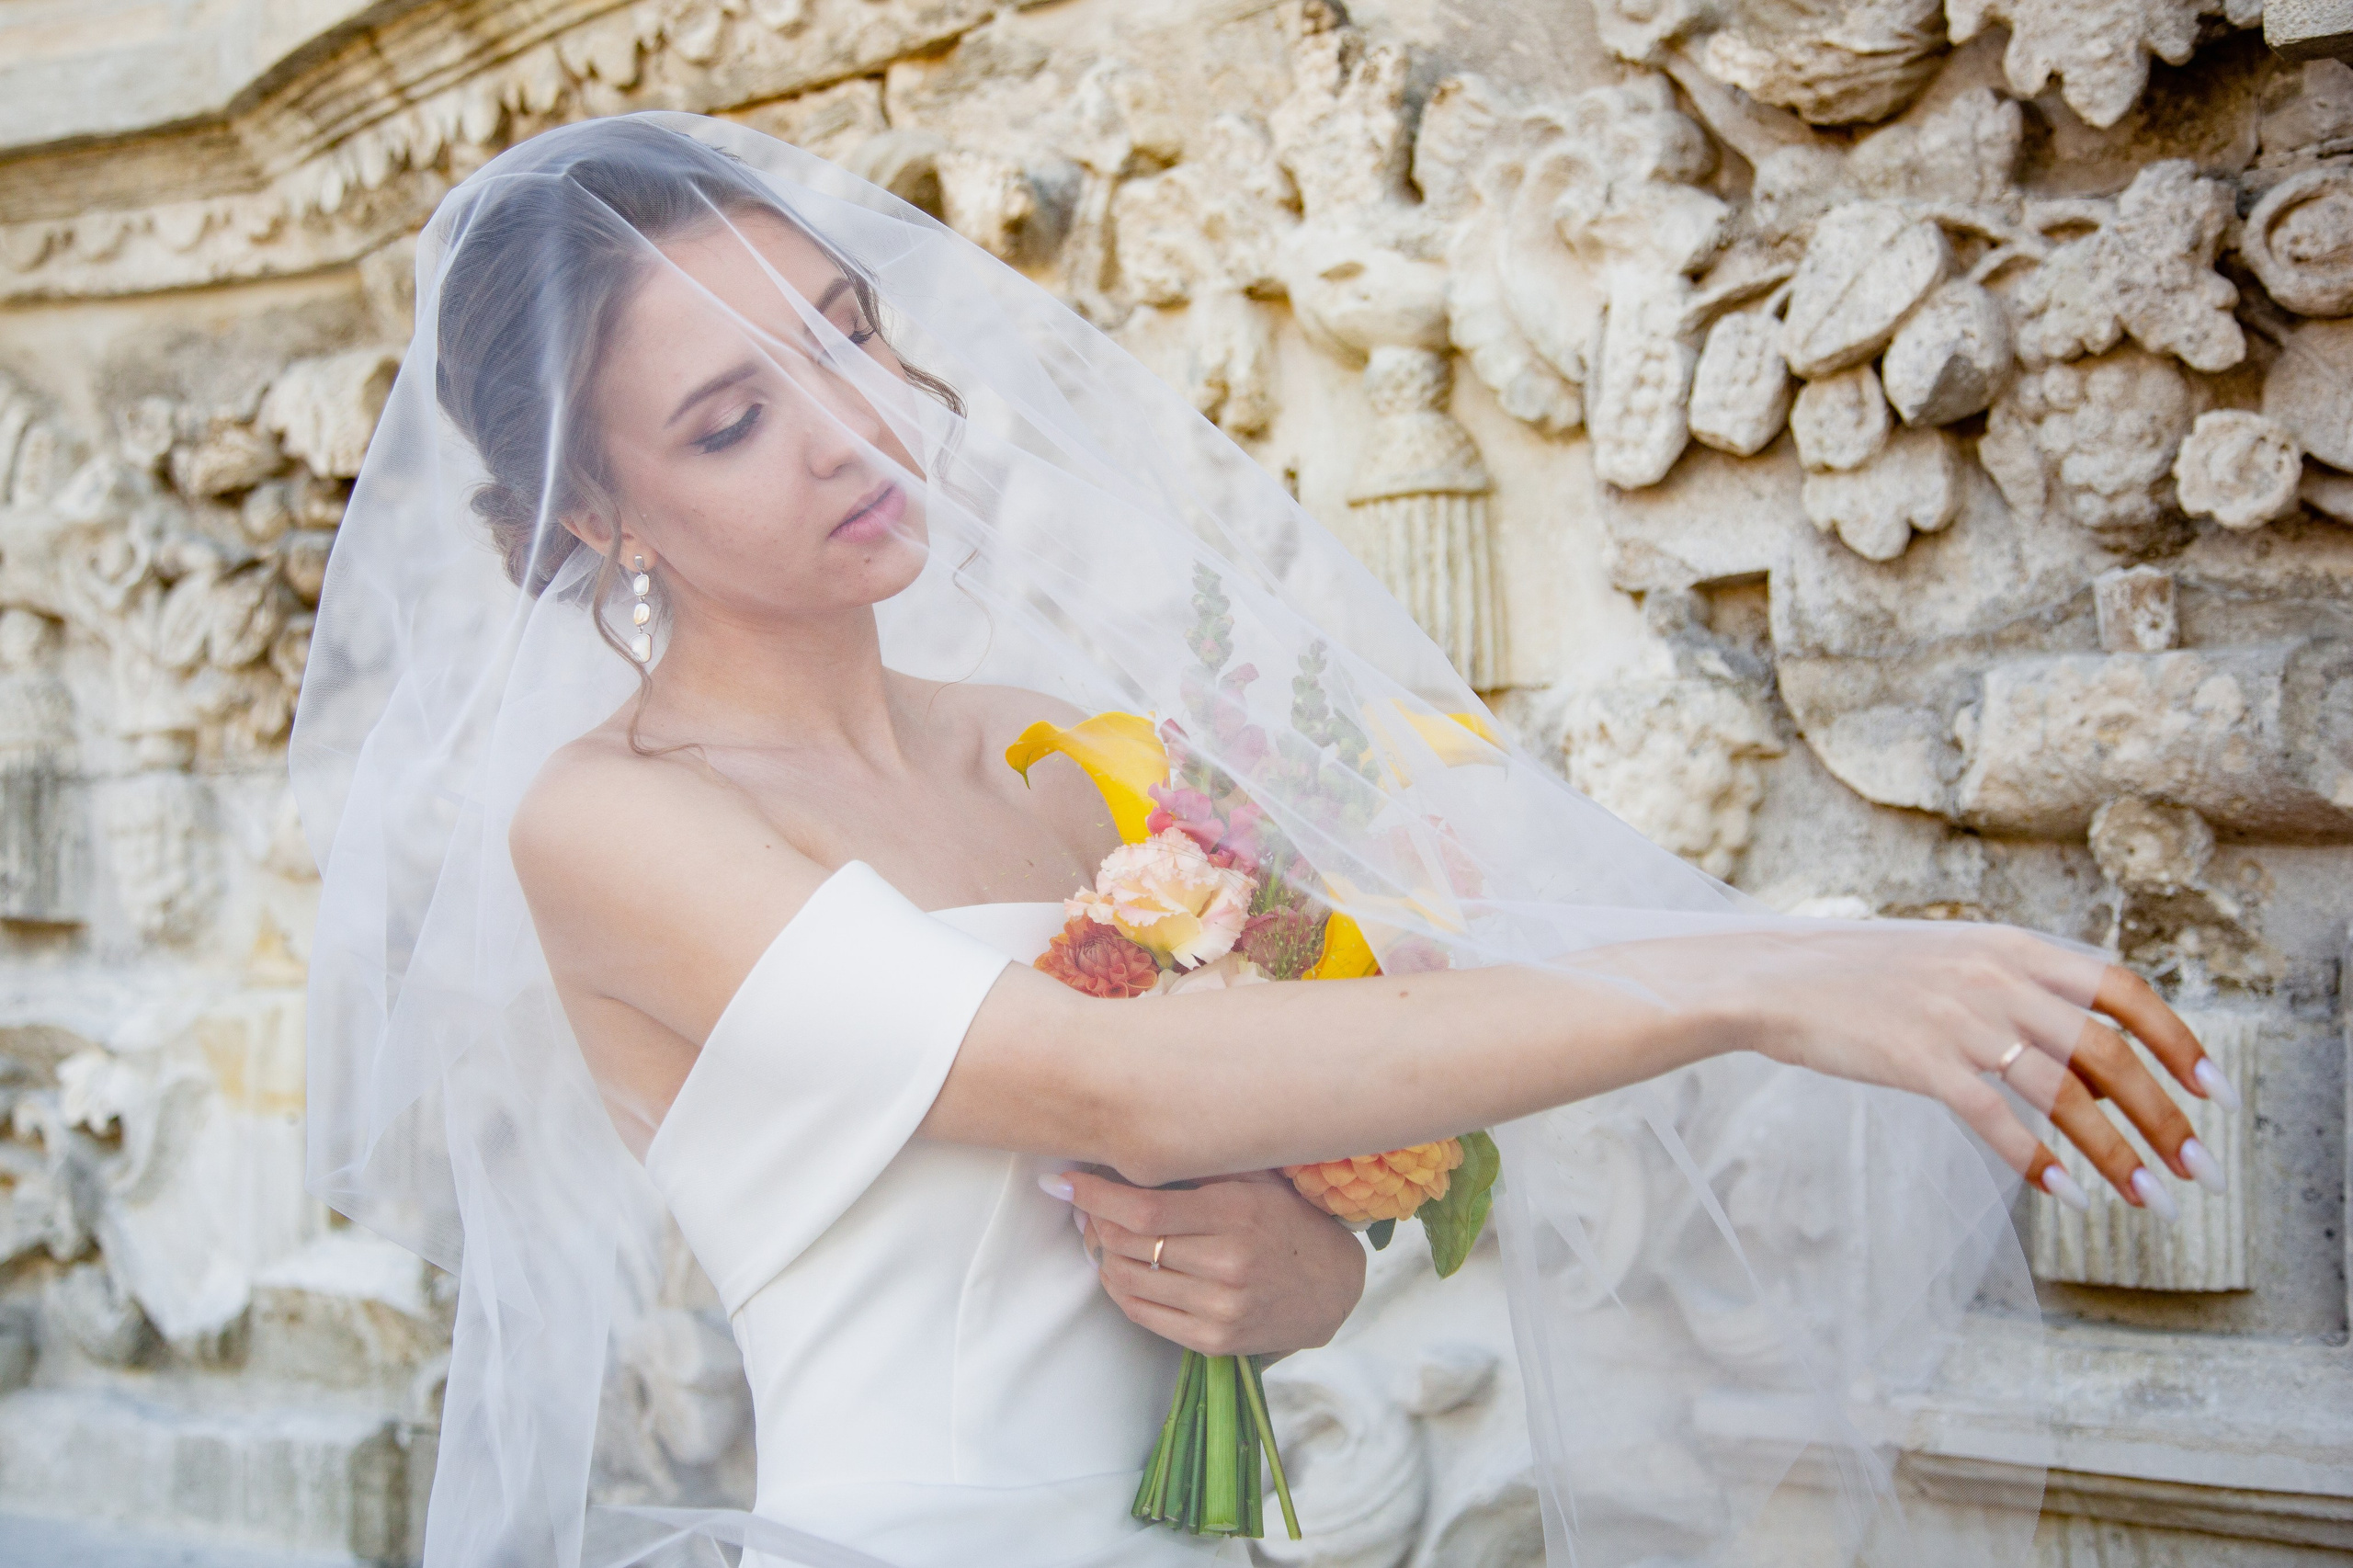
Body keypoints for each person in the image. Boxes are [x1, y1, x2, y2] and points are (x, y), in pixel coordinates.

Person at [294, 113, 2221, 1568]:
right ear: (599, 515)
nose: (852, 429)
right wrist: (1755, 980)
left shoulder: (1071, 760)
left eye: (848, 336)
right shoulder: (613, 821)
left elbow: (1287, 1123)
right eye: (728, 419)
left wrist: (1294, 1270)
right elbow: (1120, 1073)